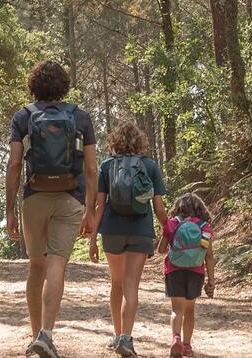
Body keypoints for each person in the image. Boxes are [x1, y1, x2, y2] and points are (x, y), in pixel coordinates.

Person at [5, 60, 99, 358]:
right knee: (56, 263)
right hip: (71, 197)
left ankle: (36, 336)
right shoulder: (81, 117)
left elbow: (15, 163)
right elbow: (92, 168)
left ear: (33, 85)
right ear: (64, 85)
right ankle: (46, 333)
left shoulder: (23, 116)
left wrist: (10, 208)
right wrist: (91, 209)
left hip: (34, 196)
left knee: (36, 265)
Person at [96, 122, 167, 357]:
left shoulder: (106, 166)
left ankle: (117, 335)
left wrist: (92, 238)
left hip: (112, 230)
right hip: (140, 229)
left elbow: (99, 205)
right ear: (140, 142)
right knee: (131, 286)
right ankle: (126, 338)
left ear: (115, 141)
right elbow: (158, 207)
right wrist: (168, 230)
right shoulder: (149, 166)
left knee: (116, 283)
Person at [160, 193, 215, 358]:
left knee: (177, 309)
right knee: (190, 310)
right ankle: (187, 346)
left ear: (178, 208)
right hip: (196, 272)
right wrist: (211, 280)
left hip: (174, 270)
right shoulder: (205, 227)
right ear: (201, 209)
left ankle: (175, 338)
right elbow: (209, 255)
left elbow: (161, 249)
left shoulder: (172, 224)